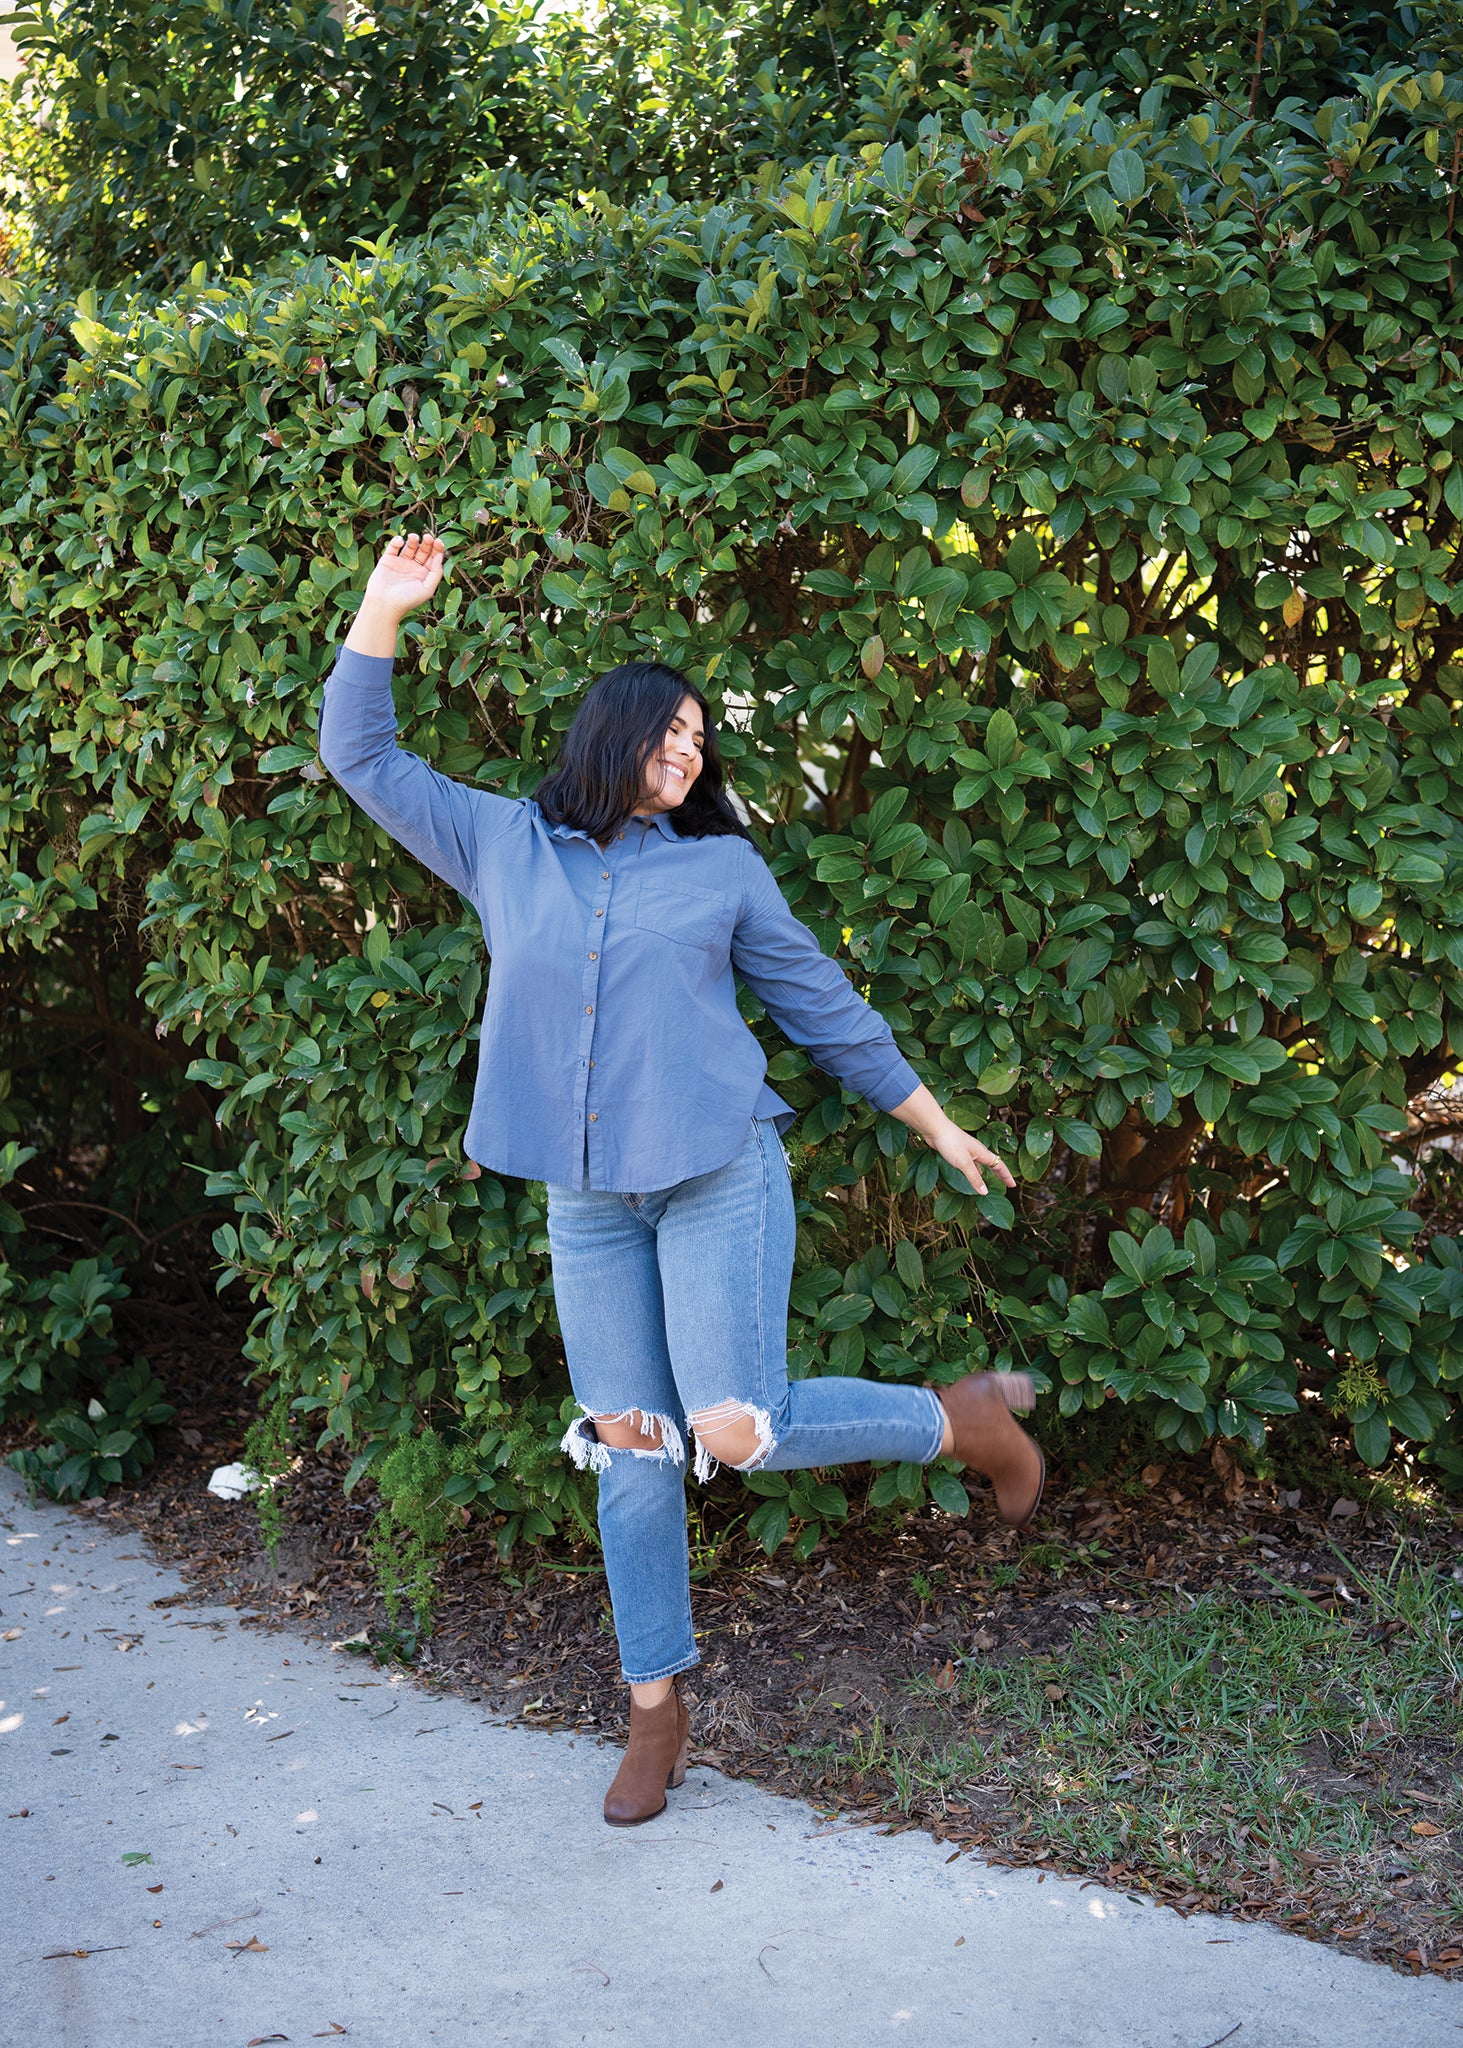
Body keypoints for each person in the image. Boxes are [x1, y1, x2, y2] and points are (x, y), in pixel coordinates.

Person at [318, 532, 1046, 1826]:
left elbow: (819, 1002)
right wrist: (384, 605)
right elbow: (361, 758)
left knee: (737, 1427)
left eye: (703, 737)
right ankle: (655, 1713)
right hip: (589, 1205)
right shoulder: (505, 845)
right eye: (673, 728)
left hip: (718, 1172)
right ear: (616, 731)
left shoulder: (723, 869)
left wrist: (931, 1120)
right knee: (635, 1450)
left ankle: (964, 1421)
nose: (691, 749)